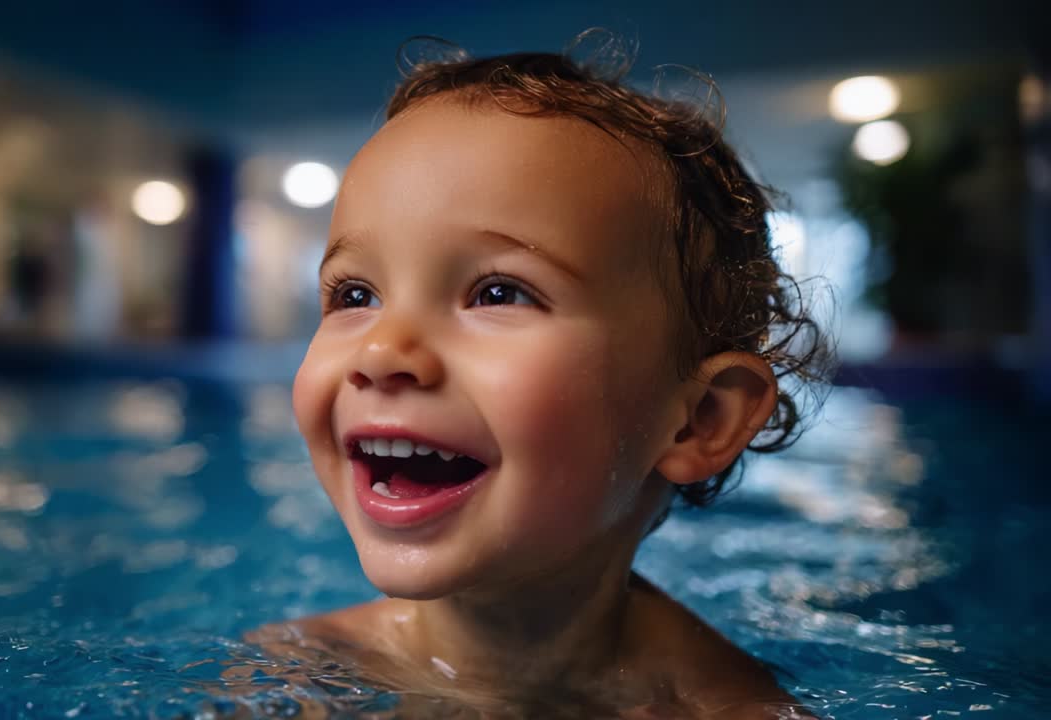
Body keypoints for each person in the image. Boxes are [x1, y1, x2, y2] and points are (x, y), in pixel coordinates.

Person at [266, 39, 831, 719]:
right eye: (356, 295)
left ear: (698, 419)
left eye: (499, 293)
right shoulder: (294, 676)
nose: (383, 351)